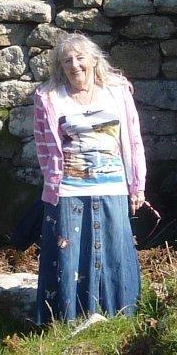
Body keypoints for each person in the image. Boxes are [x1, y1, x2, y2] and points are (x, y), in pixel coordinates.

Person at [30, 33, 147, 325]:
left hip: (113, 185)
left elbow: (133, 141)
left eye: (80, 58)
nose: (75, 65)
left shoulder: (117, 92)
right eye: (67, 60)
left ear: (94, 60)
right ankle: (67, 320)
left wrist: (137, 186)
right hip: (68, 188)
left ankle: (120, 315)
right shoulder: (50, 98)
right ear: (60, 66)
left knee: (115, 248)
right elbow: (43, 147)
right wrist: (52, 185)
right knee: (69, 252)